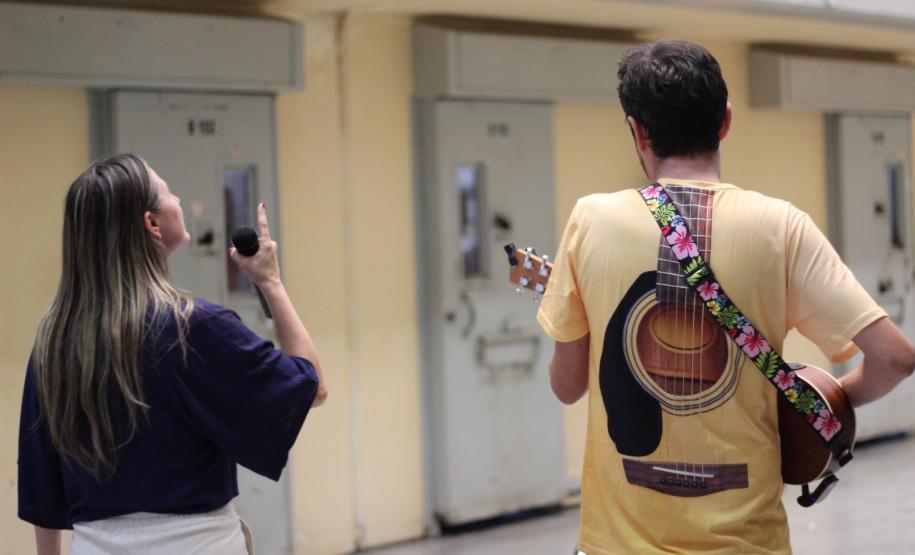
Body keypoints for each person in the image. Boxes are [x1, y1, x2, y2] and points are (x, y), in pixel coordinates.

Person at [538, 40, 915, 555]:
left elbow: (567, 387)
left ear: (637, 130)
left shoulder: (591, 220)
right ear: (725, 121)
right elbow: (896, 357)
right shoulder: (781, 225)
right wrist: (827, 403)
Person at [18, 153, 327, 555]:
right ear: (152, 223)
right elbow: (311, 386)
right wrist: (270, 283)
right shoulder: (194, 328)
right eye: (168, 192)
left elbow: (42, 488)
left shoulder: (54, 342)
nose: (178, 199)